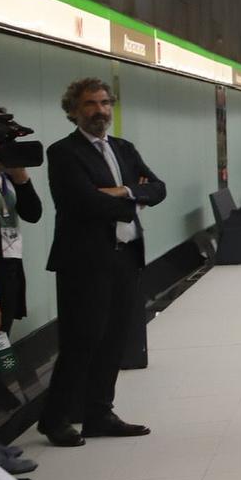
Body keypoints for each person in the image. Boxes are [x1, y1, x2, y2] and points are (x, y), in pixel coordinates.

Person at [37, 79, 165, 447]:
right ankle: (55, 418)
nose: (100, 110)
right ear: (74, 110)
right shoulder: (64, 152)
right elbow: (83, 203)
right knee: (82, 340)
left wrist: (125, 191)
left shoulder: (123, 148)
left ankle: (99, 413)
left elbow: (158, 187)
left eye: (105, 102)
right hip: (85, 262)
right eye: (90, 104)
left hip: (125, 256)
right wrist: (135, 199)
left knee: (114, 340)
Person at [0, 104, 44, 343]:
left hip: (9, 271)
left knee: (0, 341)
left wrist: (21, 179)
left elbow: (33, 213)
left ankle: (1, 378)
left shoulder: (5, 176)